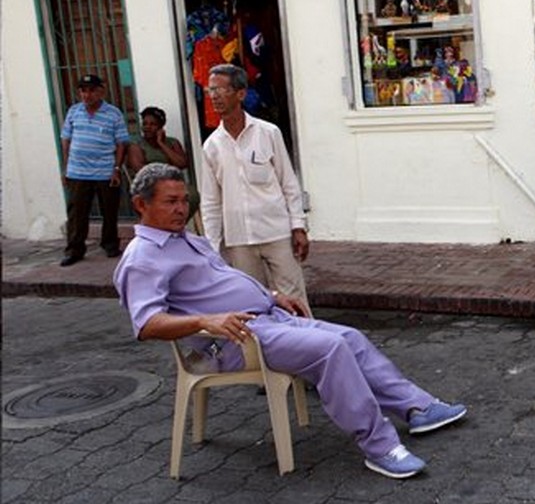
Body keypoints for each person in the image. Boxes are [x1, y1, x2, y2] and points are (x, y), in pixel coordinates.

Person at [115, 163, 467, 478]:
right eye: (170, 201)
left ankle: (416, 407)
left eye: (182, 200)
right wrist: (207, 320)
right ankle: (380, 446)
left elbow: (220, 282)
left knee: (351, 337)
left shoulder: (186, 239)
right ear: (141, 205)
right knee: (330, 350)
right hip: (235, 340)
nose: (181, 208)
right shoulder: (143, 258)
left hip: (267, 318)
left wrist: (269, 296)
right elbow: (146, 325)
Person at [200, 64, 311, 314]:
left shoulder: (268, 133)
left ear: (240, 94)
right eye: (211, 90)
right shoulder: (212, 146)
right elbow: (210, 202)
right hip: (239, 239)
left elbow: (288, 182)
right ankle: (264, 352)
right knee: (251, 302)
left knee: (294, 298)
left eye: (221, 90)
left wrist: (298, 226)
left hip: (277, 232)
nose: (215, 96)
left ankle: (308, 346)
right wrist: (212, 247)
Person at [59, 74, 130, 266]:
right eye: (83, 90)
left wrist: (116, 168)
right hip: (77, 171)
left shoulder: (114, 113)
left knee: (109, 210)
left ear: (101, 91)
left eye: (91, 90)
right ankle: (74, 249)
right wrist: (66, 167)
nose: (87, 95)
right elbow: (66, 139)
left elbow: (122, 143)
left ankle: (110, 244)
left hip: (105, 170)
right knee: (76, 213)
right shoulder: (73, 112)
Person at [127, 106, 200, 220]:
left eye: (152, 124)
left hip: (174, 184)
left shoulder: (172, 142)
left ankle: (179, 223)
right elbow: (140, 169)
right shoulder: (136, 145)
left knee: (192, 195)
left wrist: (161, 144)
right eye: (145, 124)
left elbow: (182, 163)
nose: (147, 127)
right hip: (150, 186)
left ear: (161, 127)